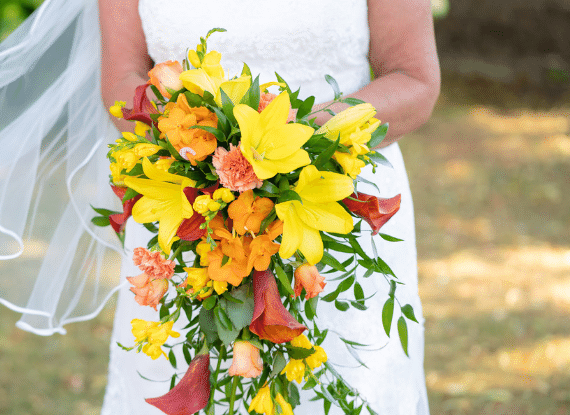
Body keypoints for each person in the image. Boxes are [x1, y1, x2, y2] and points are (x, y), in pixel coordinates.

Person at [98, 0, 440, 414]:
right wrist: (200, 150)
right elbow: (122, 80)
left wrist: (297, 139)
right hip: (188, 205)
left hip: (334, 204)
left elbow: (414, 80)